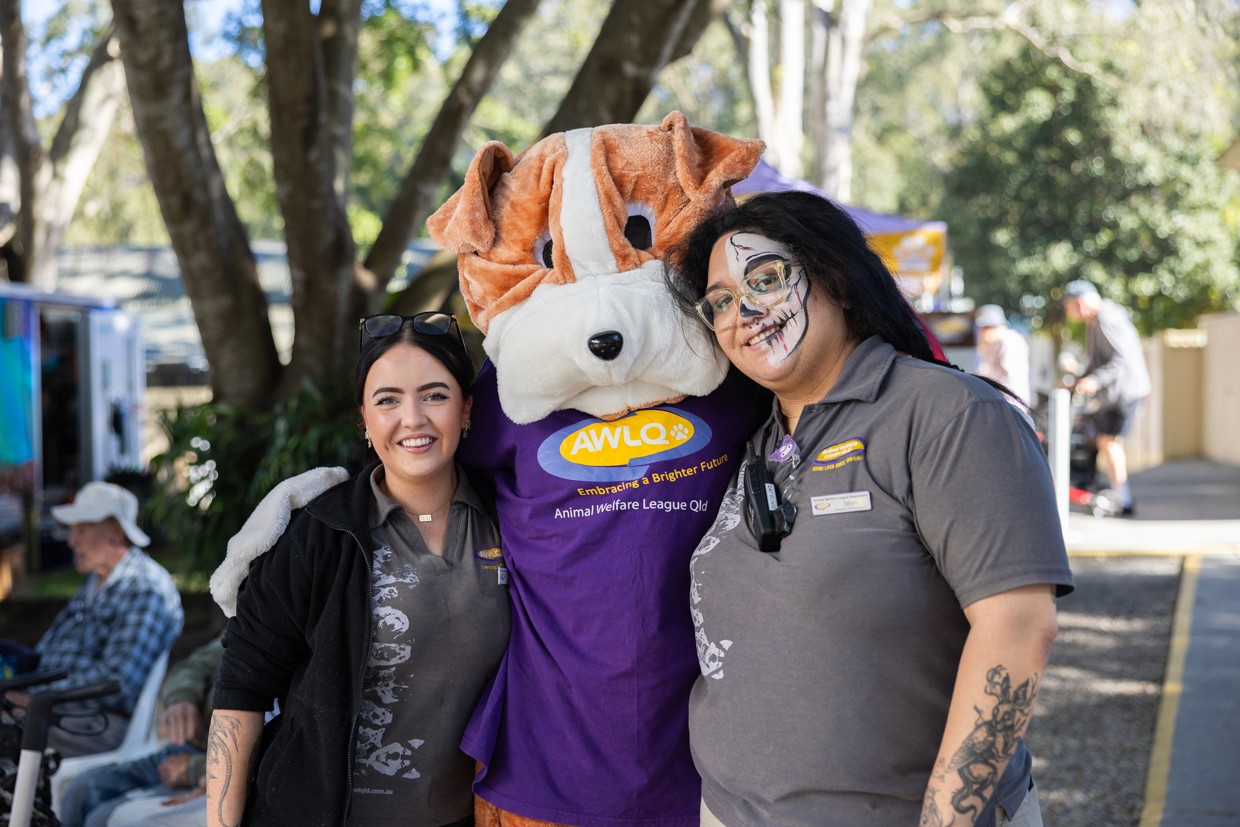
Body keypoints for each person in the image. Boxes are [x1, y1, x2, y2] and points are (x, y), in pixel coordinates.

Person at [664, 190, 1075, 827]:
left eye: (765, 279)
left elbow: (1018, 625)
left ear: (837, 278)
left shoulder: (951, 415)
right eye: (718, 301)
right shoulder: (758, 439)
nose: (741, 312)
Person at [206, 312, 510, 827]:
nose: (412, 418)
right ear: (364, 420)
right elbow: (242, 690)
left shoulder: (515, 520)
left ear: (466, 409)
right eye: (387, 400)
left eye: (435, 395)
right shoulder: (320, 532)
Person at [0, 481, 183, 757]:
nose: (71, 541)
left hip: (97, 722)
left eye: (81, 531)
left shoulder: (144, 586)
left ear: (116, 532)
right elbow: (45, 652)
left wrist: (34, 699)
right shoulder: (96, 582)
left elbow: (117, 683)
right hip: (54, 710)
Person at [59, 634, 223, 827]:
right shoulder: (239, 627)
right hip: (187, 747)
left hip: (212, 767)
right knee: (81, 790)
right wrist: (182, 697)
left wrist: (196, 769)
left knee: (102, 819)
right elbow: (193, 666)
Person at [1062, 279, 1151, 516]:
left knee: (1109, 444)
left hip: (1124, 393)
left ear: (1080, 303)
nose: (1069, 313)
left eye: (1069, 306)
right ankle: (1122, 497)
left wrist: (1094, 381)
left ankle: (1124, 501)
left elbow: (1121, 359)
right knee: (1106, 443)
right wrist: (1081, 378)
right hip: (1115, 395)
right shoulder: (1097, 321)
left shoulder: (1107, 318)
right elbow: (1096, 361)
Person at [974, 303, 1032, 405]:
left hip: (1010, 405)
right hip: (999, 404)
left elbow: (1011, 380)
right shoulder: (993, 343)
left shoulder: (1009, 341)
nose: (982, 332)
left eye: (985, 328)